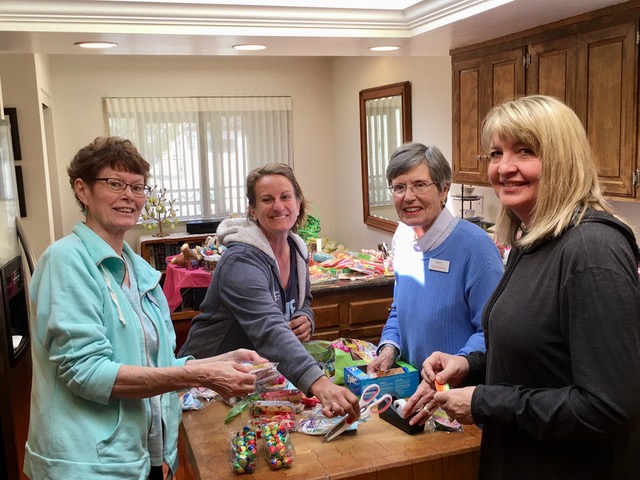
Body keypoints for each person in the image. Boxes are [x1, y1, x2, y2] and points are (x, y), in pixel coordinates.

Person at [420, 95, 640, 479]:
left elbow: (610, 408)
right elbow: (543, 358)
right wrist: (470, 367)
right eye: (495, 153)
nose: (504, 168)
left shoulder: (592, 251)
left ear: (562, 158)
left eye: (525, 151)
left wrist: (488, 403)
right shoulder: (532, 240)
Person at [25, 136, 265, 480]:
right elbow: (87, 374)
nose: (130, 196)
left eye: (138, 187)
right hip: (88, 466)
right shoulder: (66, 261)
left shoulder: (137, 271)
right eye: (114, 184)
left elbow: (159, 365)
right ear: (82, 189)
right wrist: (201, 375)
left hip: (143, 457)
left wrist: (220, 362)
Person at [179, 163, 360, 421]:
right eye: (267, 199)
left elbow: (303, 300)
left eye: (286, 197)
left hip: (254, 379)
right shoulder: (240, 261)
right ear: (252, 211)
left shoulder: (297, 250)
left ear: (298, 204)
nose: (278, 206)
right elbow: (269, 327)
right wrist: (318, 383)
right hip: (208, 381)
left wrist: (305, 317)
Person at [366, 142, 503, 422]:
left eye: (419, 185)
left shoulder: (476, 248)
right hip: (416, 394)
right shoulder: (403, 239)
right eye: (399, 187)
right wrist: (389, 347)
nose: (408, 196)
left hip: (460, 403)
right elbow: (399, 309)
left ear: (443, 189)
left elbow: (493, 333)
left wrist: (446, 376)